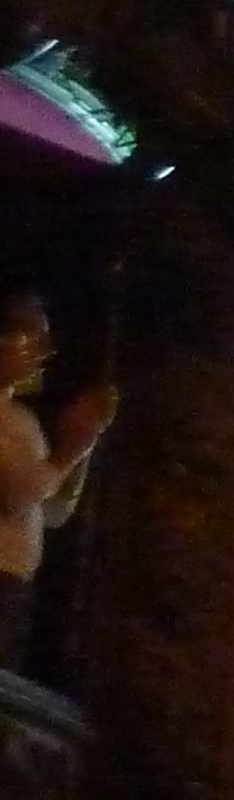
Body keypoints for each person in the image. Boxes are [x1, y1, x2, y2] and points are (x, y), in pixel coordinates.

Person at [0, 289, 113, 674]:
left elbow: (51, 511)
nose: (44, 350)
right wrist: (68, 452)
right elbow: (21, 493)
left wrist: (82, 442)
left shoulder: (21, 421)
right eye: (31, 334)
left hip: (14, 581)